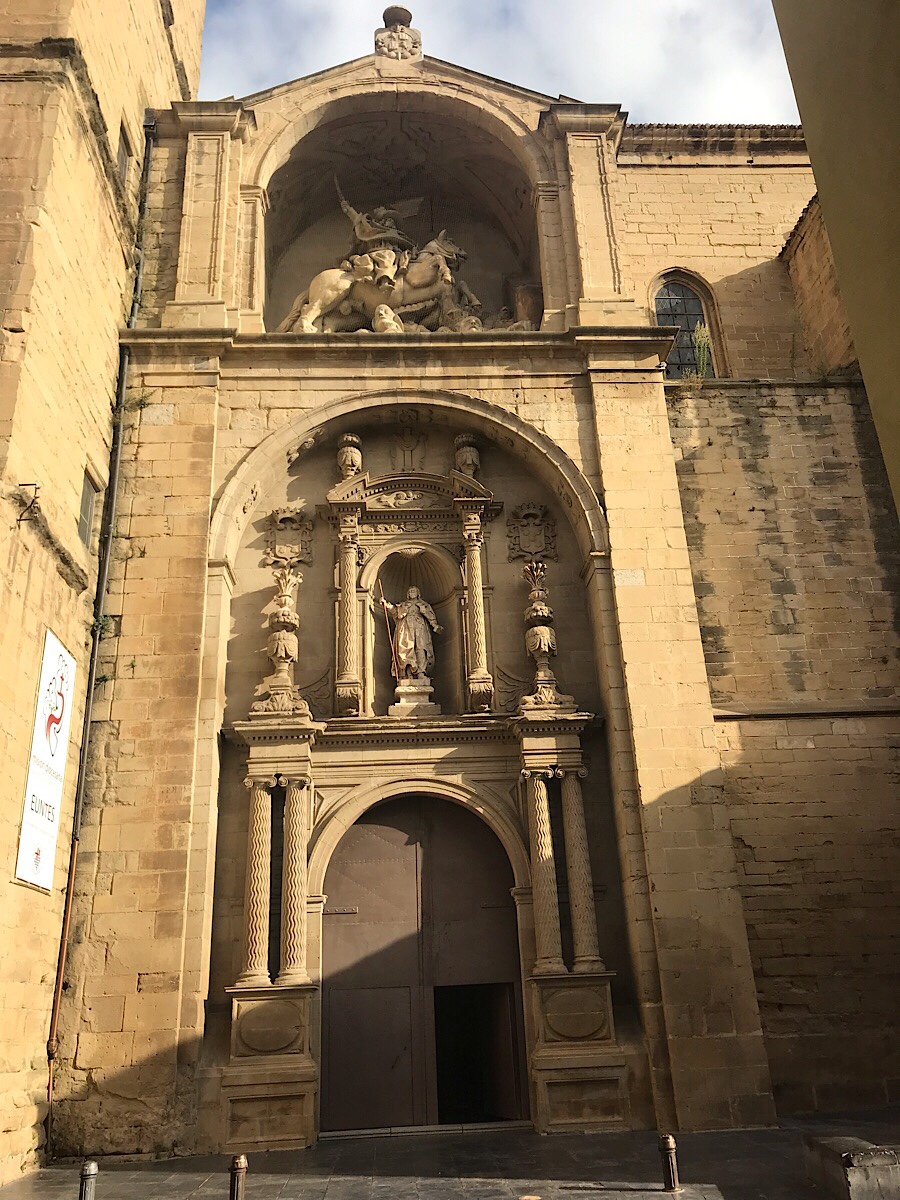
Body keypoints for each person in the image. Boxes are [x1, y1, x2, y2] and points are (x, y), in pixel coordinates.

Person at [381, 586, 442, 678]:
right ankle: (408, 672)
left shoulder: (424, 604)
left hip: (420, 627)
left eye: (414, 591)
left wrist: (435, 625)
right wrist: (386, 605)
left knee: (421, 648)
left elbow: (430, 616)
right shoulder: (404, 605)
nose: (412, 593)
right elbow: (396, 612)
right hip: (406, 627)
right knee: (406, 648)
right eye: (410, 591)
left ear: (418, 593)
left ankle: (421, 672)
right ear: (408, 594)